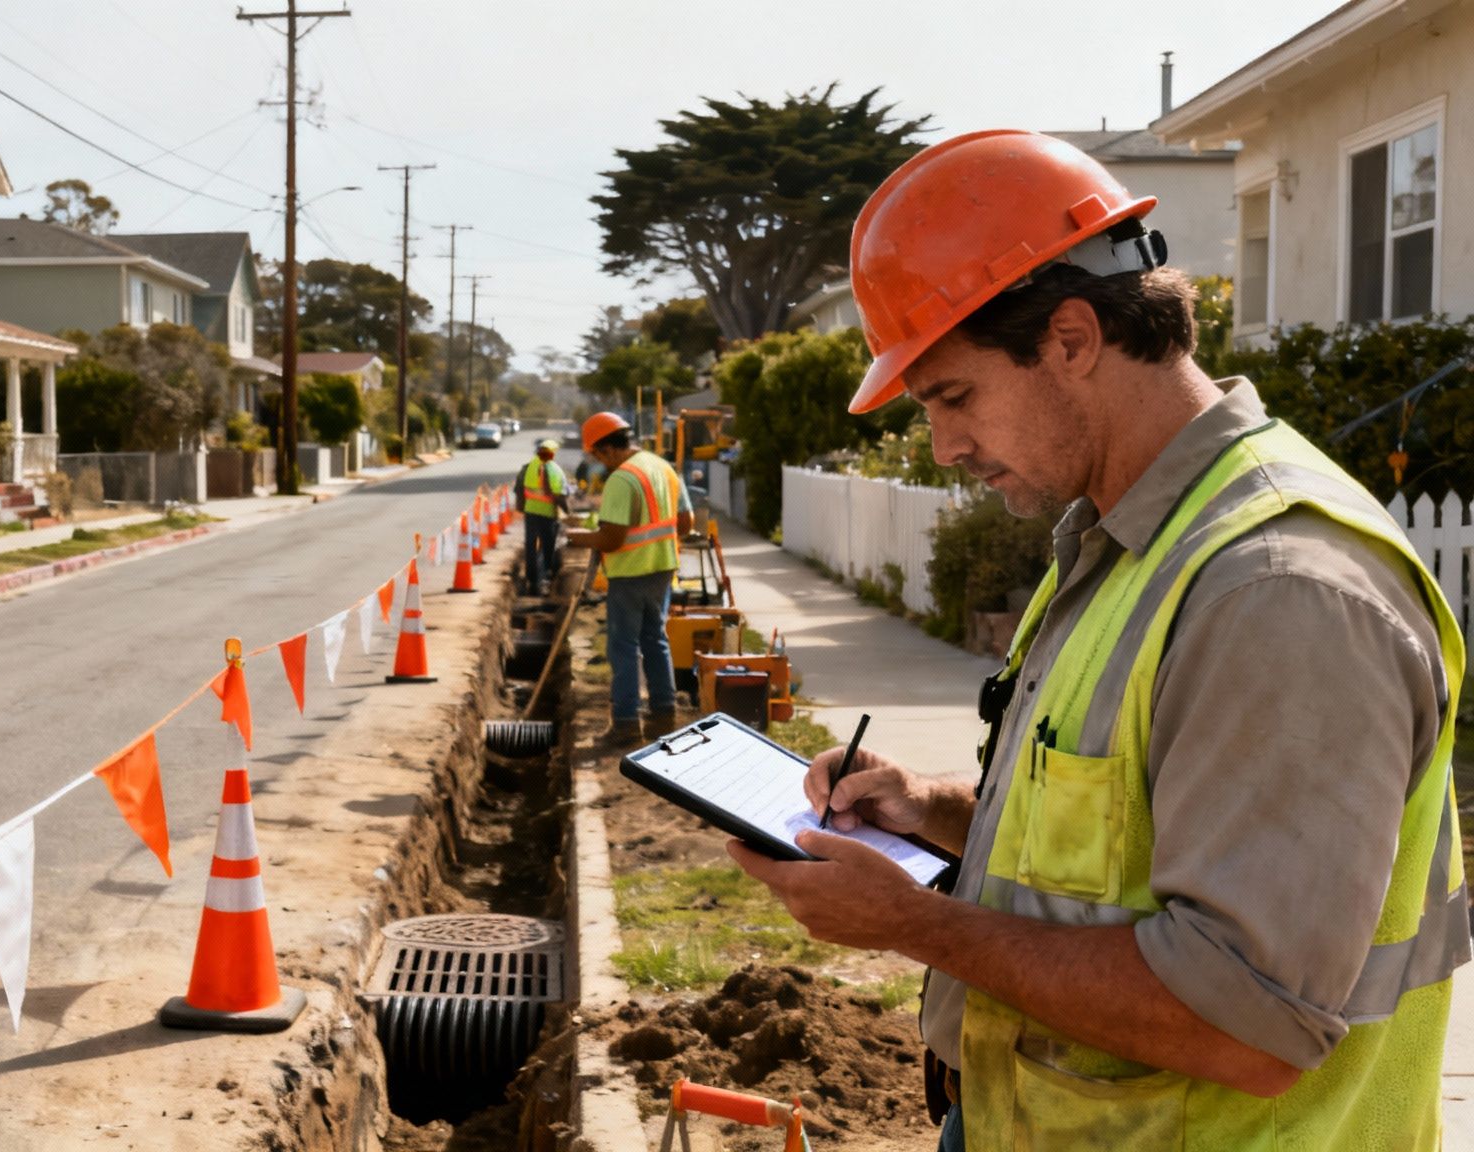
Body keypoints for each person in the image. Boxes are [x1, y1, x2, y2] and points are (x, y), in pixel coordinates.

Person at [728, 130, 1466, 1150]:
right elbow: (1111, 834)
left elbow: (1246, 1020)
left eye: (952, 395)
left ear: (1070, 338)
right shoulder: (1123, 542)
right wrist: (934, 814)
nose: (943, 447)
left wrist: (911, 925)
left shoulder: (1276, 593)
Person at [566, 412, 694, 746]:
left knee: (623, 646)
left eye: (597, 456)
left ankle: (625, 723)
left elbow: (612, 540)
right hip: (663, 568)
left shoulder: (622, 480)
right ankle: (663, 716)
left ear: (606, 449)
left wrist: (579, 537)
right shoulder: (662, 467)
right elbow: (686, 522)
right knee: (656, 640)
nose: (598, 463)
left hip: (631, 572)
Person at [516, 438, 570, 594]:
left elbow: (519, 490)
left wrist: (521, 507)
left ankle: (532, 580)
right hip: (547, 514)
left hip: (531, 512)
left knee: (531, 546)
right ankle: (544, 580)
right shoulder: (555, 470)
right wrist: (568, 512)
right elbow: (560, 496)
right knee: (547, 548)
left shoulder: (527, 468)